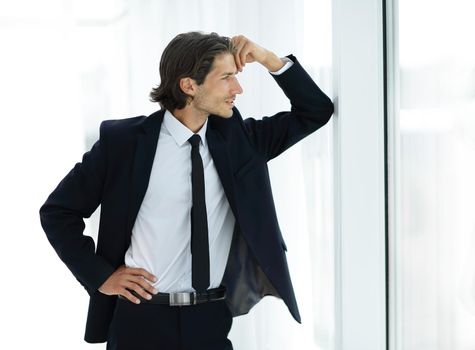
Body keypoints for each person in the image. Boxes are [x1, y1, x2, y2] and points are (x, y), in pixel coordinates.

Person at [39, 31, 334, 350]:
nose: (238, 88)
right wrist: (101, 277)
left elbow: (315, 111)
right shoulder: (123, 144)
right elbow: (58, 212)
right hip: (139, 320)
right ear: (189, 85)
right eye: (226, 78)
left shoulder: (242, 143)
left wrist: (268, 59)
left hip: (210, 319)